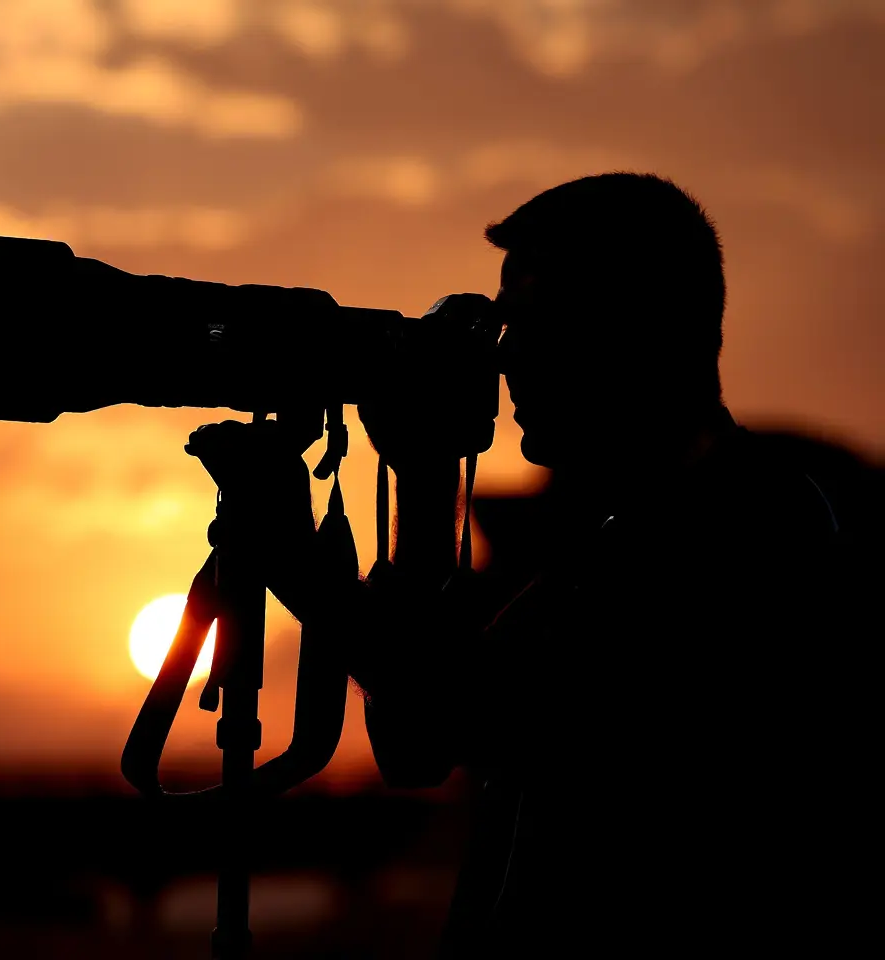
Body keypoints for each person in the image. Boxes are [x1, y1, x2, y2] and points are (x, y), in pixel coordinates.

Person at [185, 173, 872, 958]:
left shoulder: (744, 528)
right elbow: (419, 740)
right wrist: (421, 477)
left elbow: (447, 712)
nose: (507, 362)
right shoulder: (639, 528)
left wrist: (297, 556)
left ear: (636, 329)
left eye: (539, 320)